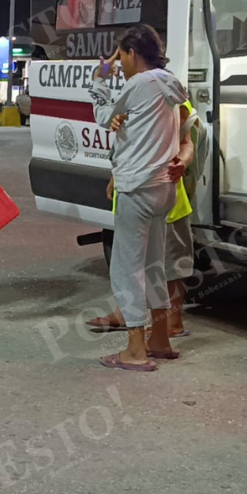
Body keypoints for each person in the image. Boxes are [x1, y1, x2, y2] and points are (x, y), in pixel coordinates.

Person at [89, 24, 188, 372]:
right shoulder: (170, 83)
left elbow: (104, 115)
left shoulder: (140, 83)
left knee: (127, 269)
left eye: (121, 56)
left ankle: (134, 349)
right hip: (164, 187)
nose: (121, 64)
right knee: (154, 265)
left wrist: (100, 78)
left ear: (132, 53)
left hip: (137, 186)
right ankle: (160, 339)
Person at [87, 100, 203, 339]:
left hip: (166, 200)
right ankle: (127, 314)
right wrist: (114, 175)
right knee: (132, 264)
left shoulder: (174, 99)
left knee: (169, 265)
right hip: (132, 198)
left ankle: (172, 322)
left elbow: (186, 143)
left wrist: (181, 161)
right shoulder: (132, 96)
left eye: (126, 60)